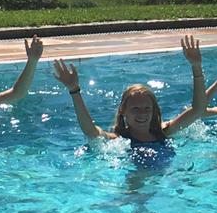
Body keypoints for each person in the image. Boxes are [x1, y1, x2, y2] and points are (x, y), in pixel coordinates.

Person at [50, 36, 207, 144]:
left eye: (147, 108)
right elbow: (91, 131)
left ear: (154, 111)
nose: (142, 113)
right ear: (123, 111)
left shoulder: (165, 132)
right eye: (135, 108)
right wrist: (74, 90)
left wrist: (196, 66)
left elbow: (198, 109)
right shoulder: (118, 140)